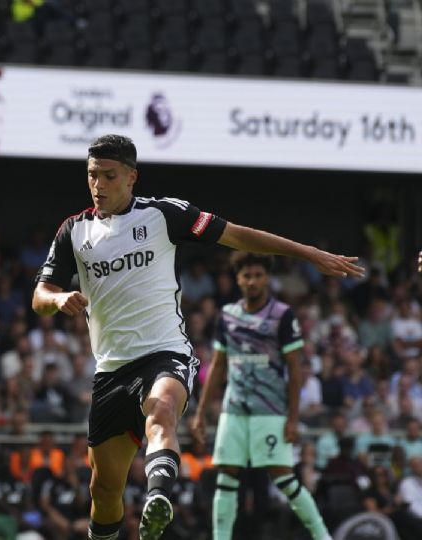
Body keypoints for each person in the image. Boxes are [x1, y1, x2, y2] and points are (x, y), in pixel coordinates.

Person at [31, 134, 362, 540]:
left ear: (132, 177)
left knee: (162, 410)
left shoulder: (164, 215)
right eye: (91, 175)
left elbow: (239, 235)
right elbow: (39, 296)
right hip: (111, 368)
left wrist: (310, 253)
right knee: (104, 489)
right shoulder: (74, 232)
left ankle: (158, 498)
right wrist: (60, 296)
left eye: (108, 175)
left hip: (164, 351)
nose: (98, 185)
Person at [191, 252, 332, 540]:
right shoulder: (227, 314)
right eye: (246, 276)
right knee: (227, 478)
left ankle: (322, 536)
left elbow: (294, 369)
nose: (252, 281)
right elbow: (218, 365)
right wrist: (201, 411)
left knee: (284, 478)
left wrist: (293, 417)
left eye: (257, 275)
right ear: (238, 279)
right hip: (234, 409)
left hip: (270, 409)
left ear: (266, 278)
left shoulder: (282, 315)